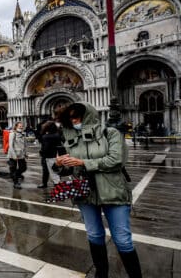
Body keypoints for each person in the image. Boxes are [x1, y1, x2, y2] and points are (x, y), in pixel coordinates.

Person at [54, 102, 141, 277]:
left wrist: (84, 163)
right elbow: (68, 169)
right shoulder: (69, 138)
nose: (74, 120)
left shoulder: (110, 133)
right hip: (85, 192)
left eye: (77, 116)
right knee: (94, 235)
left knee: (123, 240)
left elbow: (116, 160)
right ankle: (101, 274)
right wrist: (59, 165)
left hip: (113, 191)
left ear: (88, 115)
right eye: (70, 118)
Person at [37, 121, 62, 188]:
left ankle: (46, 184)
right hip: (56, 155)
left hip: (47, 156)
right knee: (55, 170)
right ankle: (57, 184)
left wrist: (41, 153)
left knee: (46, 170)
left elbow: (45, 147)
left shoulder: (46, 136)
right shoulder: (57, 135)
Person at [7, 121, 27, 189]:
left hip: (21, 154)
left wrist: (26, 153)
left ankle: (16, 175)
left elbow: (24, 145)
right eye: (20, 126)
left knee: (23, 168)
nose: (21, 127)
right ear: (16, 127)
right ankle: (16, 183)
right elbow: (10, 145)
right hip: (14, 154)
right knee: (13, 169)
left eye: (22, 126)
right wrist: (14, 155)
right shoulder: (13, 134)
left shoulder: (23, 134)